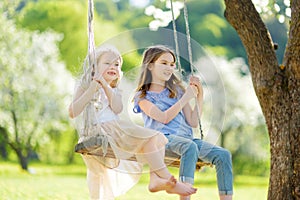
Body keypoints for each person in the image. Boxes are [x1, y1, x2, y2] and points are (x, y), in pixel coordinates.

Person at [68, 44, 197, 200]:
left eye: (116, 64)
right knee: (151, 138)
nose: (113, 67)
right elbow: (73, 112)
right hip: (101, 129)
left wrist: (106, 87)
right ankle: (168, 179)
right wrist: (92, 88)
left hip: (117, 128)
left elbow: (117, 108)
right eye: (107, 63)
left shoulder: (114, 89)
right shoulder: (85, 85)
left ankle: (157, 179)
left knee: (155, 138)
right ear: (94, 66)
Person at [133, 45, 233, 200]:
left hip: (187, 139)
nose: (169, 67)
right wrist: (186, 97)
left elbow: (193, 121)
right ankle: (184, 195)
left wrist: (199, 95)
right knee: (189, 147)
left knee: (223, 155)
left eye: (172, 64)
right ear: (150, 66)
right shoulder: (143, 97)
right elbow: (163, 117)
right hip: (162, 140)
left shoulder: (177, 90)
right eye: (164, 63)